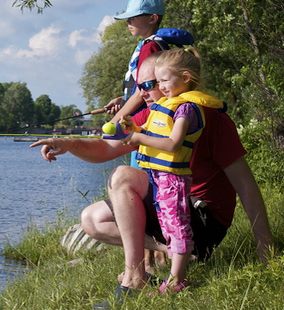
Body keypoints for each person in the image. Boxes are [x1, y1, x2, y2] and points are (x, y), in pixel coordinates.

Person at [30, 54, 273, 308]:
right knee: (93, 219)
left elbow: (245, 185)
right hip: (170, 207)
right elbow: (104, 149)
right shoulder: (151, 115)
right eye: (140, 86)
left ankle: (136, 278)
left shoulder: (208, 118)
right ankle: (177, 251)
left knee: (123, 176)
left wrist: (265, 247)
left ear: (175, 80)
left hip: (204, 220)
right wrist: (68, 143)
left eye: (149, 85)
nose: (141, 94)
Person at [120, 48, 223, 294]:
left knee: (177, 226)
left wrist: (137, 136)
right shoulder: (166, 105)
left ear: (186, 77)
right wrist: (134, 126)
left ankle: (178, 280)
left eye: (164, 80)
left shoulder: (186, 109)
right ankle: (175, 276)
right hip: (160, 177)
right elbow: (151, 130)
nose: (161, 86)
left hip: (173, 179)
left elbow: (173, 144)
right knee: (168, 226)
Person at [104, 0, 166, 118]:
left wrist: (114, 122)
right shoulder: (157, 43)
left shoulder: (150, 48)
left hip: (144, 117)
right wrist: (123, 100)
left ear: (152, 18)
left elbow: (142, 92)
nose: (128, 22)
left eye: (133, 17)